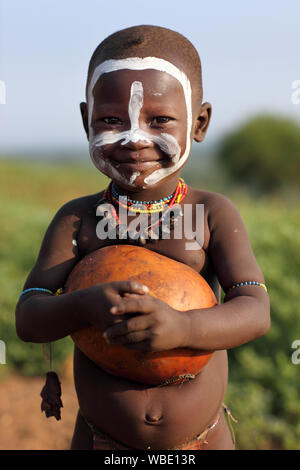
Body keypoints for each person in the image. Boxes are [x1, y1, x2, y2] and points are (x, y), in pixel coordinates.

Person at [15, 25, 270, 450]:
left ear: (200, 123)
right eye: (111, 120)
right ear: (86, 121)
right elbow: (29, 316)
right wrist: (83, 305)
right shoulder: (78, 219)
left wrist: (184, 326)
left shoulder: (211, 213)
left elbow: (255, 309)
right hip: (103, 443)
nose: (135, 137)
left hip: (201, 443)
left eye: (160, 119)